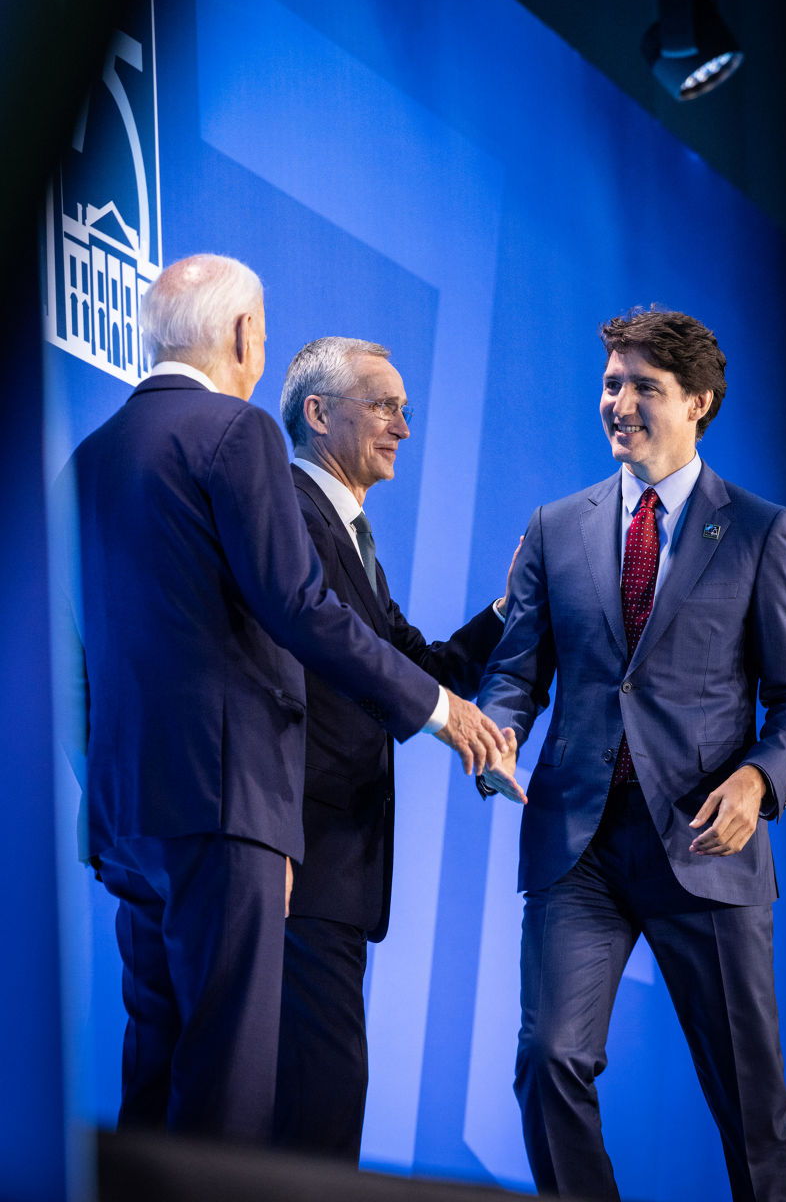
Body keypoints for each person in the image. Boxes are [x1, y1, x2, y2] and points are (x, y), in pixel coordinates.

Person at [57, 254, 511, 1146]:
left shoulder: (86, 458)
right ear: (244, 335)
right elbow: (299, 607)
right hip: (228, 811)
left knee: (155, 1075)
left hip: (127, 817)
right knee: (227, 1088)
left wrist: (102, 782)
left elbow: (70, 658)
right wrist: (439, 709)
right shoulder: (237, 433)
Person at [478, 307, 786, 1201]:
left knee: (753, 1107)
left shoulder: (759, 531)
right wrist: (497, 727)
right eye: (611, 384)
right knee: (549, 1058)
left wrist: (758, 779)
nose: (619, 403)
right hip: (579, 845)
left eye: (643, 387)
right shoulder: (557, 527)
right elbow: (518, 670)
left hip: (705, 843)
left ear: (699, 402)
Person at [274, 337, 526, 1161]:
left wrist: (506, 605)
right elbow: (350, 656)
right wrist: (446, 714)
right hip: (296, 861)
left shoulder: (349, 532)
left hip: (336, 872)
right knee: (316, 1103)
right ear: (318, 414)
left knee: (320, 1097)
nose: (403, 429)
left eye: (405, 410)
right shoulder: (286, 509)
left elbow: (415, 669)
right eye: (383, 406)